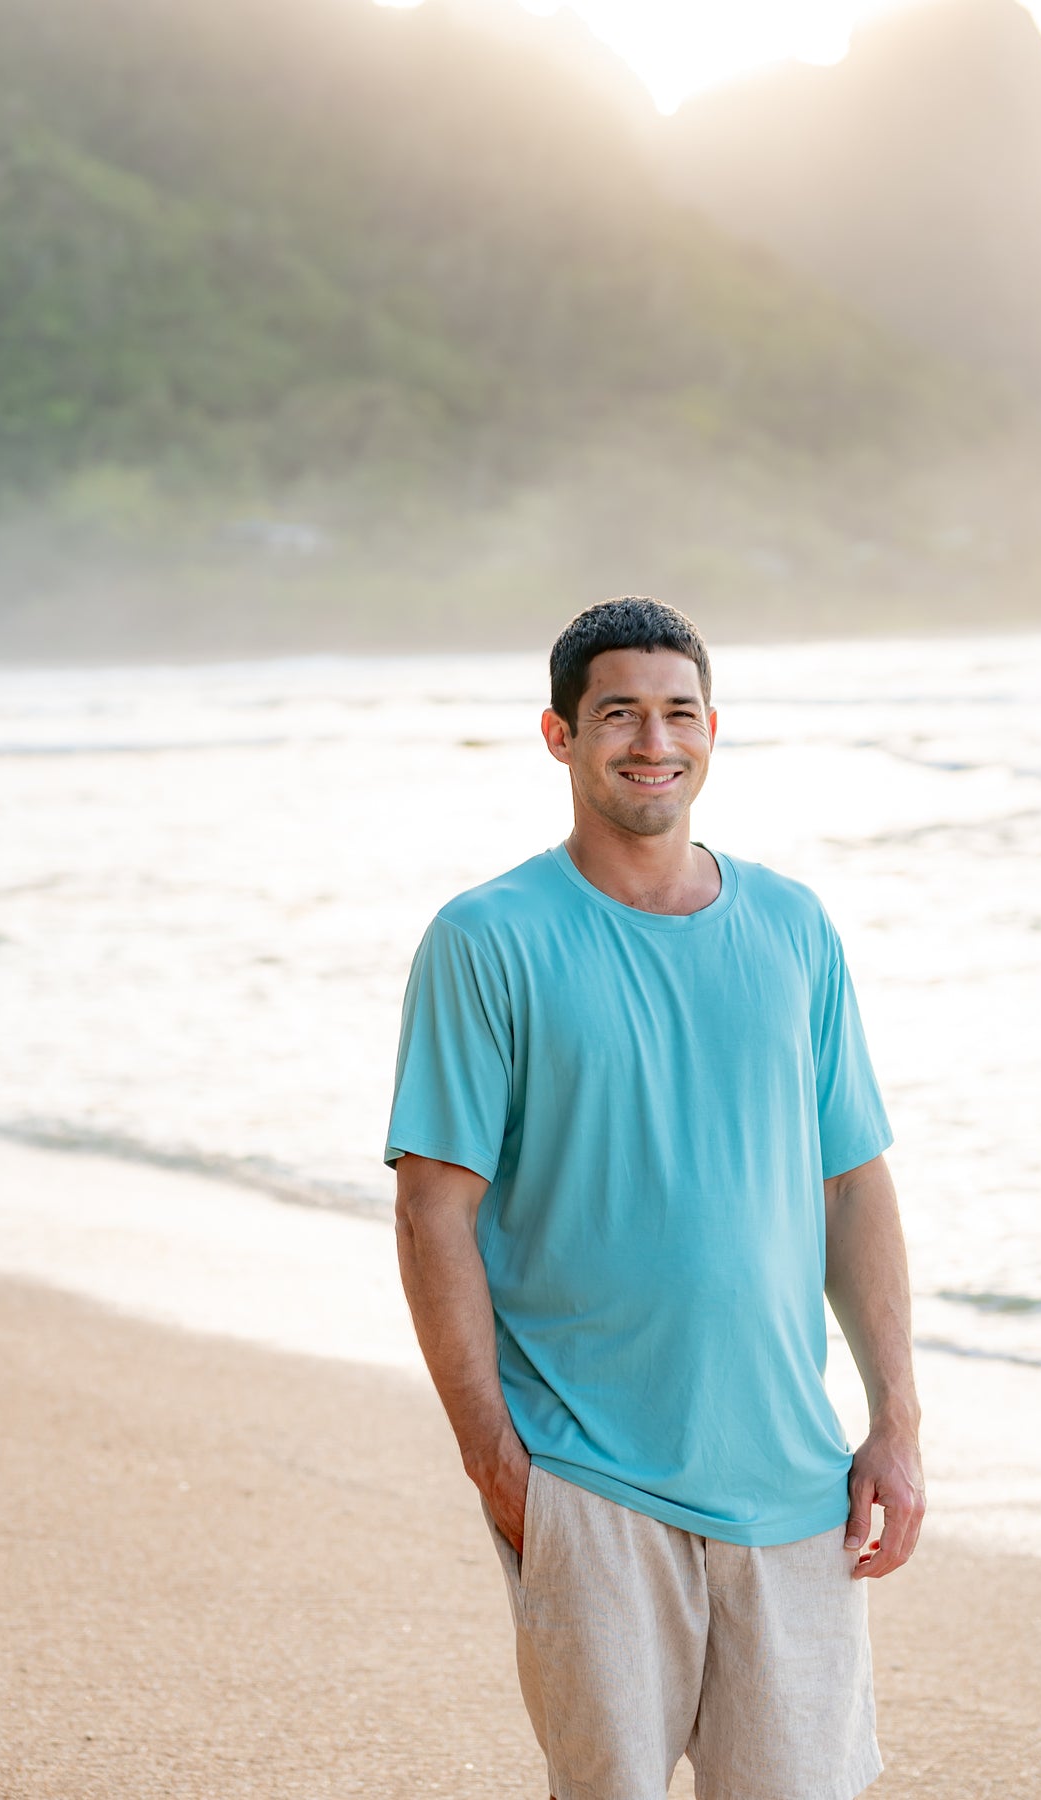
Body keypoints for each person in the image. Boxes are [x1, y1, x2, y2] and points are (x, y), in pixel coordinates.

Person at [386, 597, 924, 1800]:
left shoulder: (793, 926)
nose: (651, 741)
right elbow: (434, 1209)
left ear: (714, 730)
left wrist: (895, 1422)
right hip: (588, 1477)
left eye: (678, 713)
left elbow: (853, 1180)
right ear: (559, 736)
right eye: (617, 712)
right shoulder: (489, 938)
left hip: (794, 1484)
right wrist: (497, 1462)